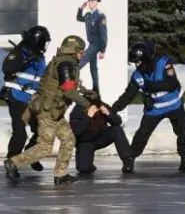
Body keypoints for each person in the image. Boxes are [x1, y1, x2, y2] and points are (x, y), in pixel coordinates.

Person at [4, 35, 93, 185]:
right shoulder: (66, 64)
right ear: (74, 51)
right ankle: (13, 163)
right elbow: (68, 91)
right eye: (81, 51)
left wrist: (86, 91)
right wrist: (87, 105)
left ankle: (61, 175)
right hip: (48, 112)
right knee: (45, 147)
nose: (82, 54)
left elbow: (70, 85)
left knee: (68, 138)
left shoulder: (62, 62)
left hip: (54, 111)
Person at [110, 41, 185, 173]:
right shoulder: (137, 75)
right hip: (154, 109)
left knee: (183, 131)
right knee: (142, 133)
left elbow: (171, 83)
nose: (136, 65)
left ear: (146, 59)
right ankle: (130, 160)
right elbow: (128, 95)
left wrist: (151, 86)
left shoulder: (164, 63)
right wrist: (113, 109)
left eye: (138, 62)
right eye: (134, 62)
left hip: (174, 105)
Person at [2, 25, 49, 172]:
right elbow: (7, 68)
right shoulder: (21, 51)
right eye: (44, 42)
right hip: (17, 97)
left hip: (33, 99)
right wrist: (25, 60)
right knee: (20, 133)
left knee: (42, 130)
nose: (46, 45)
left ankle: (31, 156)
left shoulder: (40, 56)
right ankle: (12, 162)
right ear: (37, 41)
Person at [71, 90, 131, 175]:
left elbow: (118, 122)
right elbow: (76, 130)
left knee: (117, 130)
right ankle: (89, 164)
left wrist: (108, 114)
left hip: (101, 137)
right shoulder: (78, 109)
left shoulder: (102, 105)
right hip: (86, 141)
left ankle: (128, 161)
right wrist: (88, 117)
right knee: (83, 168)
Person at [76, 0, 108, 92]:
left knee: (79, 64)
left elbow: (103, 35)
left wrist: (103, 50)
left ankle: (70, 83)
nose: (89, 3)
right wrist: (81, 8)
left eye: (92, 1)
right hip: (91, 44)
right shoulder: (88, 16)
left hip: (96, 45)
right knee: (93, 69)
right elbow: (79, 18)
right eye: (89, 1)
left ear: (96, 2)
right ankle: (96, 89)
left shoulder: (100, 16)